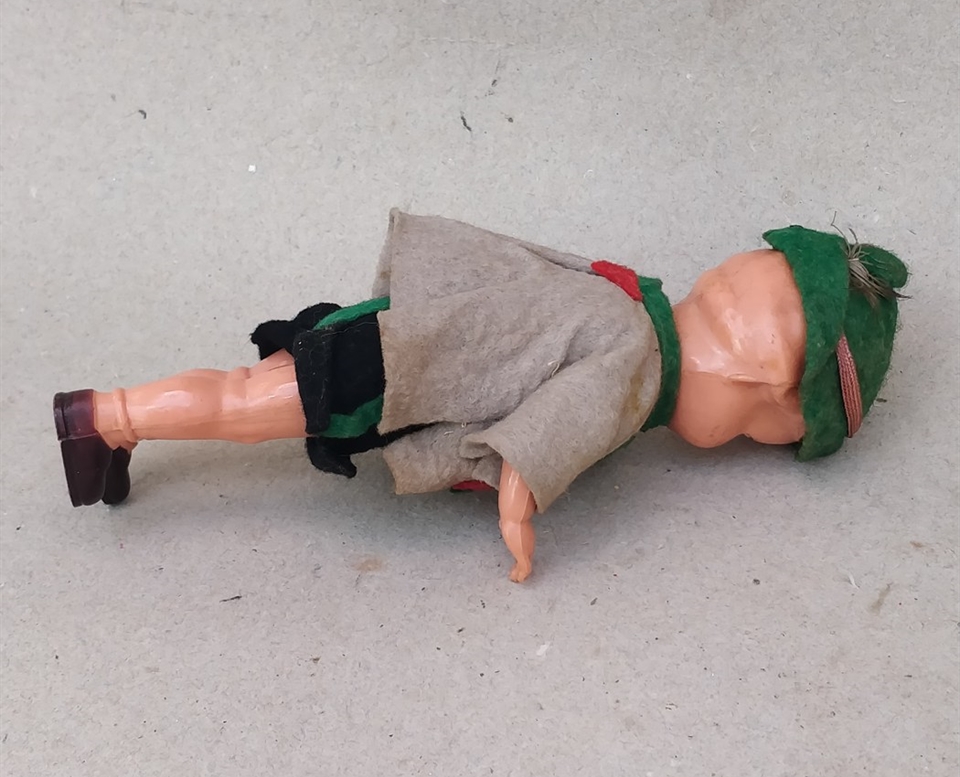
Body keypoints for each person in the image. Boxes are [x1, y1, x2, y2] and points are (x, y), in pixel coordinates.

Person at [53, 211, 908, 582]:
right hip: (395, 368)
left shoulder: (628, 296)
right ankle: (104, 419)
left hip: (401, 333)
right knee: (247, 405)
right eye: (763, 426)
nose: (742, 434)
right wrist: (517, 515)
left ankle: (112, 428)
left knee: (249, 392)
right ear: (757, 384)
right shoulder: (637, 359)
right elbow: (554, 429)